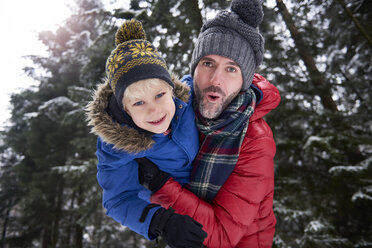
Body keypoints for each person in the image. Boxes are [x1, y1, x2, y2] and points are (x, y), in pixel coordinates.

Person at [136, 0, 281, 247]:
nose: (216, 79)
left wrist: (161, 185)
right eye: (208, 63)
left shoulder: (256, 140)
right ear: (194, 68)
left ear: (244, 81)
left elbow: (221, 236)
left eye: (231, 69)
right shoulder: (173, 110)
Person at [86, 19, 207, 247]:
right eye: (139, 103)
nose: (154, 110)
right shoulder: (117, 145)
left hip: (216, 183)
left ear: (171, 90)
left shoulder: (188, 98)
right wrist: (160, 220)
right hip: (180, 207)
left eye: (159, 95)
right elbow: (118, 199)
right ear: (125, 109)